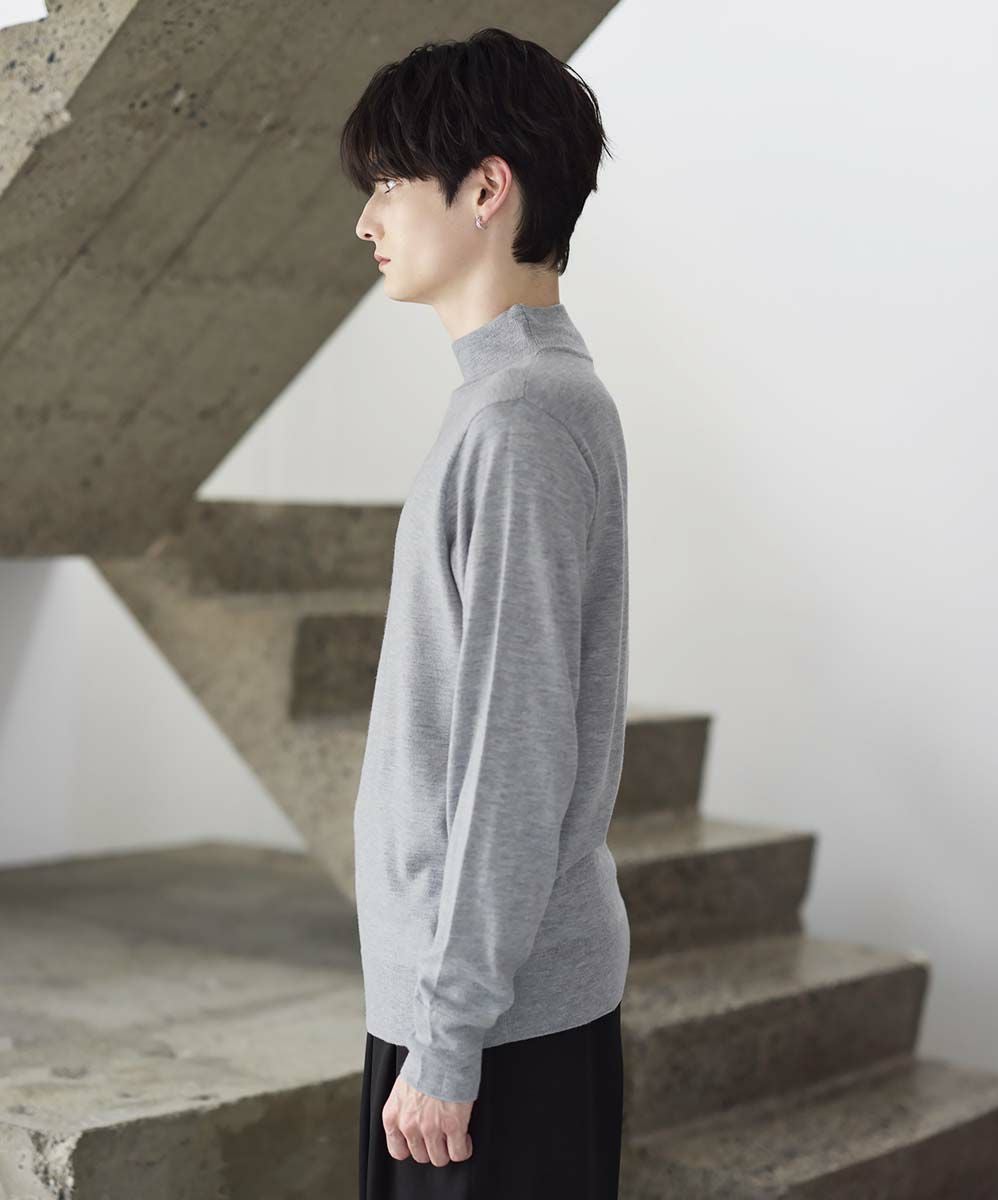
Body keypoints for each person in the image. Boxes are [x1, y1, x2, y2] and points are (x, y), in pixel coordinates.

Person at [340, 26, 631, 1199]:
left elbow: (513, 749)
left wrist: (448, 1036)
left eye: (388, 183)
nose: (366, 221)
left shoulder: (520, 417)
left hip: (487, 1033)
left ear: (485, 189)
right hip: (472, 1012)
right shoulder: (515, 398)